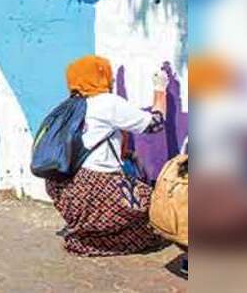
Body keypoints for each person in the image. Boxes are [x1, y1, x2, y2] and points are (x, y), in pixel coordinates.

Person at [46, 55, 169, 257]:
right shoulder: (107, 102)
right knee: (153, 203)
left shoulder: (68, 107)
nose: (111, 79)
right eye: (106, 73)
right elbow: (155, 124)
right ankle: (103, 237)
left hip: (63, 189)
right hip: (95, 188)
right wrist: (160, 89)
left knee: (130, 214)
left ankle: (88, 237)